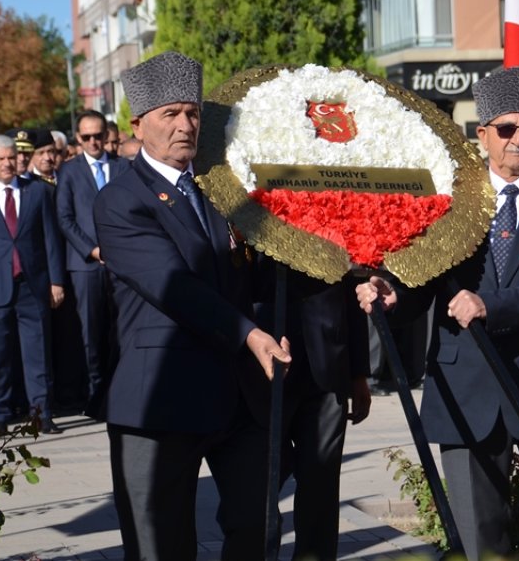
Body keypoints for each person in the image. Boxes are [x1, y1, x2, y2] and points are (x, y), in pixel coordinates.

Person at [357, 66, 519, 559]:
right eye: (506, 129)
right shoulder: (447, 208)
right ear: (482, 133)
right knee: (478, 544)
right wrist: (392, 295)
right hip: (465, 389)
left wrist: (490, 304)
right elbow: (418, 280)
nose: (518, 140)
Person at [93, 50, 290, 560]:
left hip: (240, 397)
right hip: (160, 402)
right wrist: (249, 333)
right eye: (171, 115)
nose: (186, 125)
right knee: (161, 547)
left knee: (259, 529)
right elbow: (174, 287)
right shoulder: (120, 201)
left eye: (193, 113)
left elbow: (263, 271)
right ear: (138, 124)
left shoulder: (220, 193)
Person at [256, 267, 371, 560]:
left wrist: (358, 373)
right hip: (267, 363)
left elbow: (352, 286)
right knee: (260, 481)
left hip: (327, 362)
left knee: (321, 485)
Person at [0, 134, 67, 433]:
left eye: (11, 158)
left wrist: (56, 281)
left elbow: (51, 241)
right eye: (1, 159)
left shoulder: (38, 192)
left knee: (38, 353)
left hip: (33, 286)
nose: (7, 163)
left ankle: (42, 414)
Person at [55, 110, 130, 414]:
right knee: (91, 332)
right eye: (86, 137)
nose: (93, 142)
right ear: (78, 138)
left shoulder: (123, 167)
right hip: (86, 265)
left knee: (121, 328)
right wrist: (92, 250)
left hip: (121, 263)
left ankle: (119, 390)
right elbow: (65, 217)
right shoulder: (69, 172)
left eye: (98, 135)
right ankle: (94, 393)